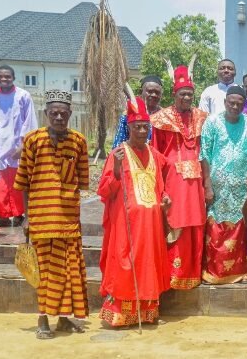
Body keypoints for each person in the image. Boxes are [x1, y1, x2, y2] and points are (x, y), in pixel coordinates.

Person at [14, 89, 89, 339]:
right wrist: (26, 217)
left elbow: (82, 181)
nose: (59, 117)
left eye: (63, 113)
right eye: (54, 113)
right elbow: (23, 181)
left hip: (68, 219)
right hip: (41, 217)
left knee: (69, 271)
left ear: (70, 114)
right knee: (44, 272)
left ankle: (65, 319)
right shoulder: (33, 140)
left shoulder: (79, 141)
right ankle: (43, 319)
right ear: (46, 114)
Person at [98, 96, 171, 327]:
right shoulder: (118, 153)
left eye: (145, 127)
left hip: (150, 225)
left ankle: (147, 312)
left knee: (147, 264)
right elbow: (104, 190)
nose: (141, 131)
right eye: (137, 127)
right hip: (126, 224)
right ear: (128, 128)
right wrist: (117, 169)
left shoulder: (156, 155)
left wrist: (165, 198)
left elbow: (162, 182)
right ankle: (121, 314)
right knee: (124, 263)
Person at [151, 63, 208, 290]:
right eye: (182, 94)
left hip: (197, 182)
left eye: (190, 94)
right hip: (173, 180)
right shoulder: (161, 119)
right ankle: (173, 274)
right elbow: (156, 152)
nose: (186, 98)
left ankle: (194, 273)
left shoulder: (202, 118)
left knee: (196, 224)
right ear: (175, 95)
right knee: (176, 222)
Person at [200, 86, 247, 284]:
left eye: (239, 103)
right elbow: (204, 154)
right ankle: (214, 272)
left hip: (241, 187)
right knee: (216, 228)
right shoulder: (212, 122)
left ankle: (241, 271)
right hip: (218, 186)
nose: (234, 106)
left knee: (239, 229)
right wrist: (207, 184)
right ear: (225, 102)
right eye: (231, 102)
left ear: (244, 104)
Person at [0, 65, 38, 227]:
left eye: (7, 76)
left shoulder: (23, 96)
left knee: (18, 183)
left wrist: (23, 146)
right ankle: (3, 216)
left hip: (16, 146)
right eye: (0, 76)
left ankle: (19, 214)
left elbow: (29, 121)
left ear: (13, 78)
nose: (3, 79)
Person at [111, 75, 164, 149]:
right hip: (133, 157)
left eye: (157, 92)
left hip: (159, 158)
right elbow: (119, 145)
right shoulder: (128, 116)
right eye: (150, 91)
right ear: (140, 91)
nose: (154, 95)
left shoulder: (166, 117)